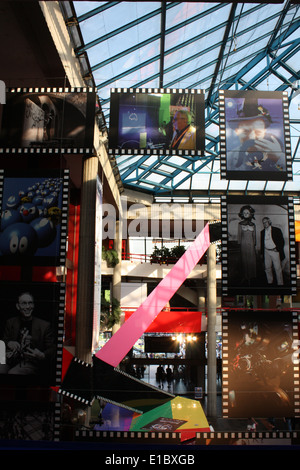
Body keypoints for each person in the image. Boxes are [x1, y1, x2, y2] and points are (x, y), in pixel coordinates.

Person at [2, 292, 55, 377]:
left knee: (13, 373)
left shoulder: (44, 325)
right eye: (24, 303)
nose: (27, 307)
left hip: (31, 362)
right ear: (18, 306)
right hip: (11, 359)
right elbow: (3, 341)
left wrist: (42, 355)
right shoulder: (11, 322)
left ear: (33, 305)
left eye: (30, 303)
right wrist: (9, 343)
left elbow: (52, 348)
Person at [226, 98, 285, 172]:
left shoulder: (278, 153)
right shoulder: (229, 159)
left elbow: (285, 170)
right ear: (237, 131)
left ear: (264, 131)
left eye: (257, 132)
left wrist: (278, 157)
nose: (252, 137)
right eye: (245, 132)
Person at [260, 217, 285, 285]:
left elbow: (282, 241)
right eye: (263, 222)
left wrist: (277, 248)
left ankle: (280, 283)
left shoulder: (276, 230)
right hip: (266, 251)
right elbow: (262, 243)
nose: (265, 224)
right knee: (267, 268)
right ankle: (269, 282)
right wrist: (262, 253)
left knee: (277, 268)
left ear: (269, 222)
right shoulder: (262, 232)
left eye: (266, 222)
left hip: (275, 251)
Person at [237, 205, 257, 284]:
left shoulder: (253, 225)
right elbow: (239, 235)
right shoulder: (240, 224)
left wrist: (254, 243)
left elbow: (254, 236)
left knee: (252, 259)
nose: (245, 214)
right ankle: (245, 276)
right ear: (242, 214)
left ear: (250, 214)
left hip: (251, 244)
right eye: (244, 212)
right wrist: (239, 243)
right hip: (244, 244)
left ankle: (252, 276)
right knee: (244, 260)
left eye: (247, 212)